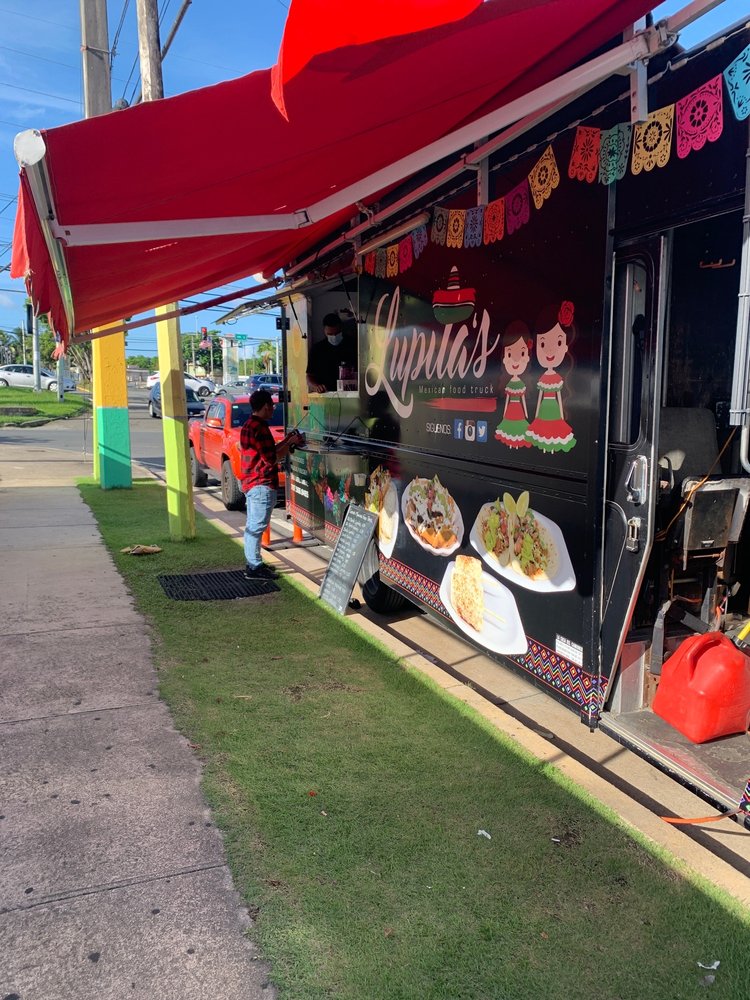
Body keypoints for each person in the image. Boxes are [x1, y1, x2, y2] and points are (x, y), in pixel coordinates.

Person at [239, 390, 304, 580]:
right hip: (261, 484)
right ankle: (254, 567)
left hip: (252, 483)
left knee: (254, 525)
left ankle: (254, 562)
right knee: (256, 526)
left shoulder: (249, 425)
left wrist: (286, 441)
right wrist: (291, 442)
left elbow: (268, 452)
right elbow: (271, 459)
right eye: (272, 406)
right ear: (266, 406)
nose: (273, 409)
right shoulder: (260, 428)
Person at [306, 312, 357, 393]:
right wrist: (316, 386)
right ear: (324, 331)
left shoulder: (353, 345)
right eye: (330, 334)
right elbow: (309, 376)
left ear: (341, 329)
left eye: (337, 334)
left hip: (350, 393)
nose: (334, 337)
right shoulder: (317, 349)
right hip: (326, 395)